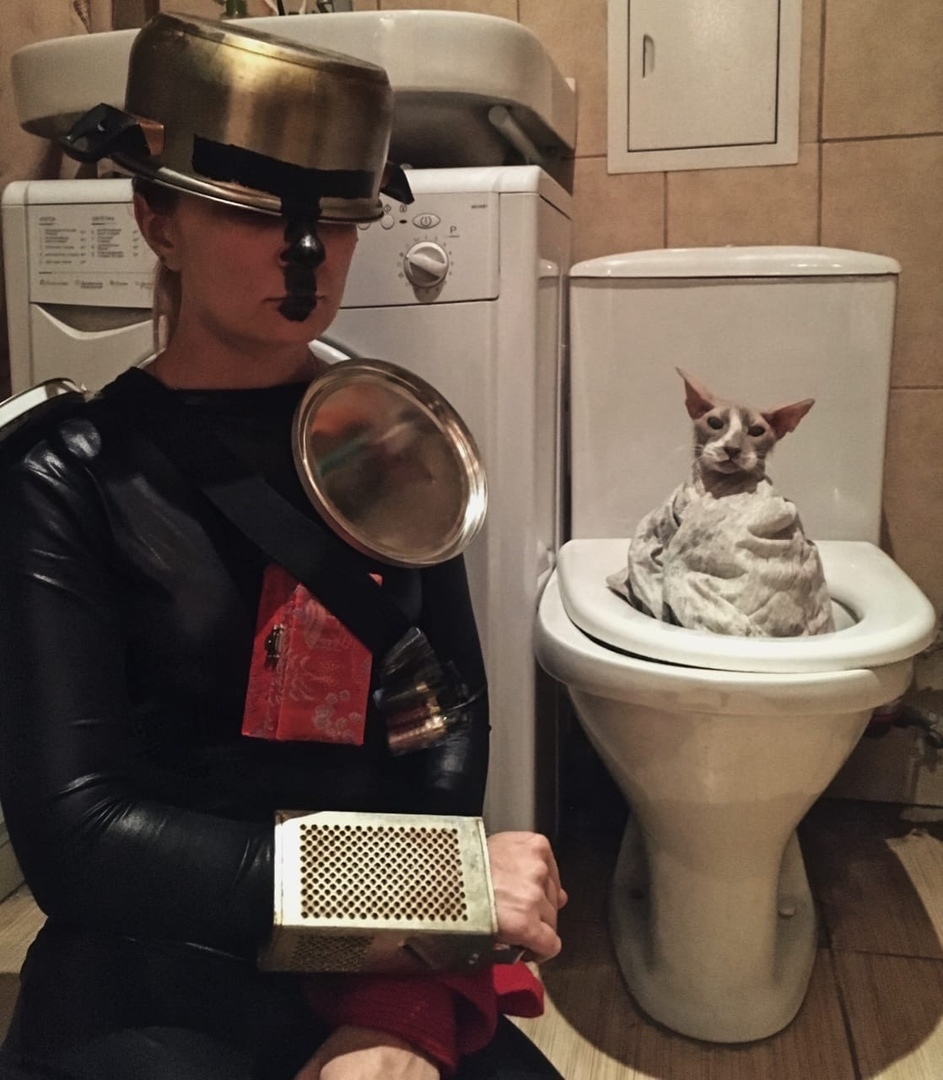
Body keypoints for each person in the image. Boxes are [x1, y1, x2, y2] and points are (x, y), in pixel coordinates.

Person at [0, 13, 566, 1080]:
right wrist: (428, 889)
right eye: (251, 211)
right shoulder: (64, 476)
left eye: (335, 221)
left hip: (366, 956)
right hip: (151, 952)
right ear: (157, 219)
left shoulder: (390, 436)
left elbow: (442, 718)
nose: (304, 253)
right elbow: (77, 837)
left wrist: (399, 1008)